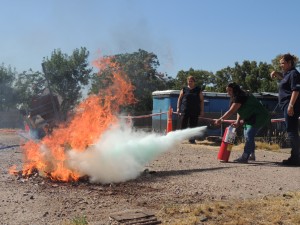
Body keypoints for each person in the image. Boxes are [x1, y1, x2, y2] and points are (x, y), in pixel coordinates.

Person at [214, 82, 270, 163]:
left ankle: (245, 156)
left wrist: (220, 119)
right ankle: (251, 154)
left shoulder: (240, 96)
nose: (228, 93)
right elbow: (239, 110)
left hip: (259, 116)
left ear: (235, 90)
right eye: (227, 91)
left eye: (230, 90)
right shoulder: (237, 97)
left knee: (249, 134)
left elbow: (231, 111)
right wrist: (237, 121)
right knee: (247, 134)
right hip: (250, 118)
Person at [270, 53, 300, 166]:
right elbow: (285, 80)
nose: (281, 65)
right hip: (286, 105)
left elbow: (296, 90)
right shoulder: (288, 74)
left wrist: (291, 105)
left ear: (289, 63)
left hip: (290, 105)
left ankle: (296, 158)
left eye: (282, 63)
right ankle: (296, 156)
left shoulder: (294, 74)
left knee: (291, 131)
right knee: (291, 131)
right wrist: (277, 74)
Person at [177, 76, 204, 144]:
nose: (190, 82)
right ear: (187, 81)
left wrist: (202, 110)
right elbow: (179, 99)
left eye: (192, 81)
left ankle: (192, 139)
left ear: (194, 82)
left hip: (195, 111)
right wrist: (178, 108)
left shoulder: (198, 89)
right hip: (185, 110)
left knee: (193, 125)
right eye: (189, 81)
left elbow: (202, 100)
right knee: (183, 124)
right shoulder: (184, 89)